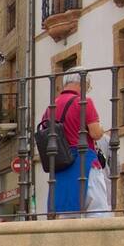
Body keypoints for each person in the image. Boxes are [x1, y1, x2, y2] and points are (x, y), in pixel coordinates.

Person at [47, 73, 112, 218]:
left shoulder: (50, 107)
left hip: (60, 165)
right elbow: (95, 133)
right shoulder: (84, 102)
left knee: (67, 214)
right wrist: (101, 130)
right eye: (88, 86)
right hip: (84, 162)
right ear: (83, 83)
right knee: (98, 211)